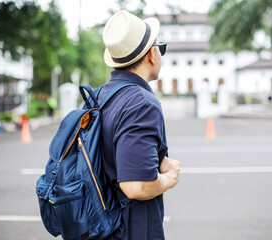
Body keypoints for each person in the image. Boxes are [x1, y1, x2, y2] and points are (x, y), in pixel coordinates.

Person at [99, 10, 180, 240]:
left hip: (102, 225)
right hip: (131, 229)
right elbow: (137, 186)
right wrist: (169, 178)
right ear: (152, 55)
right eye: (159, 47)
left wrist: (156, 160)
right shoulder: (141, 104)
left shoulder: (102, 96)